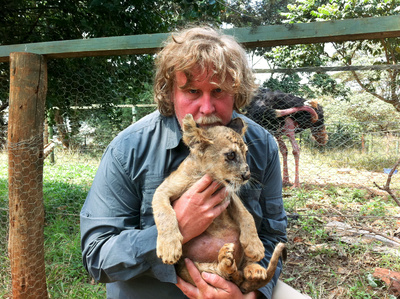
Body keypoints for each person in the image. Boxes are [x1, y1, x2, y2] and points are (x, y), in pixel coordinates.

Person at [80, 26, 307, 299]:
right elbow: (97, 257)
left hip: (235, 287)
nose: (207, 108)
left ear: (237, 93)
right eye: (192, 91)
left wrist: (252, 296)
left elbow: (273, 234)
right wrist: (178, 228)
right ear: (170, 93)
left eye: (219, 91)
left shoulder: (261, 145)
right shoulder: (128, 149)